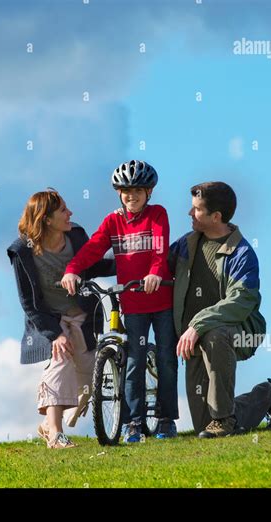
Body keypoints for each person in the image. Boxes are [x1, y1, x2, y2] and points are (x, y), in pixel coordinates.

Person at [62, 160, 179, 442]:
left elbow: (160, 250)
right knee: (134, 361)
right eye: (126, 191)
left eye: (138, 190)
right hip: (133, 302)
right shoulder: (113, 221)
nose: (132, 196)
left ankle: (165, 420)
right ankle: (133, 423)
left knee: (165, 358)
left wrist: (153, 274)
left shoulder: (157, 215)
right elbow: (93, 248)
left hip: (161, 298)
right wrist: (73, 269)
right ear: (118, 193)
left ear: (149, 192)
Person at [169, 181, 271, 438]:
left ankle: (224, 420)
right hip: (195, 339)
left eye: (196, 210)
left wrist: (197, 324)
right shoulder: (185, 245)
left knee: (216, 335)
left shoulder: (242, 253)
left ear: (216, 216)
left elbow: (241, 301)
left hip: (241, 331)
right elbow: (154, 264)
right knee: (204, 425)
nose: (189, 214)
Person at [7, 188, 115, 449]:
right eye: (63, 210)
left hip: (82, 317)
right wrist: (55, 334)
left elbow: (94, 265)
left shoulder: (76, 235)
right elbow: (28, 303)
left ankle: (46, 426)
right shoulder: (22, 251)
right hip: (51, 321)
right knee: (60, 360)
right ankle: (55, 433)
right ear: (46, 219)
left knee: (90, 382)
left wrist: (127, 261)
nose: (71, 213)